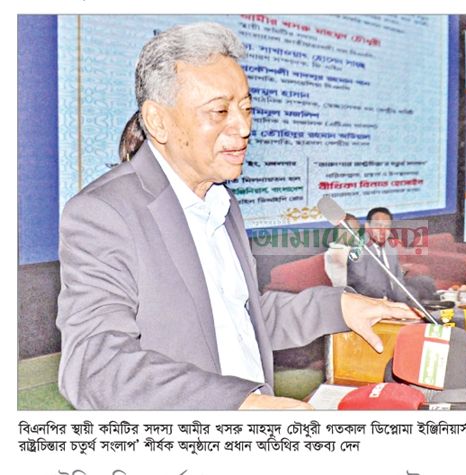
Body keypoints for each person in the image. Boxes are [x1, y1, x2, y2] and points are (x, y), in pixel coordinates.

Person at [56, 23, 417, 411]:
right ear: (158, 121)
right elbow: (94, 366)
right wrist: (239, 407)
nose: (243, 127)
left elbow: (237, 317)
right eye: (220, 111)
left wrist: (338, 307)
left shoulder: (220, 201)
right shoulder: (104, 213)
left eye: (246, 108)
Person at [346, 207, 436, 304]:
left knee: (426, 283)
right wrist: (384, 299)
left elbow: (398, 278)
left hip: (394, 292)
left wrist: (405, 294)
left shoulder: (390, 247)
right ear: (368, 226)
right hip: (374, 299)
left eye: (387, 227)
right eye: (378, 226)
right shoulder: (358, 248)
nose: (383, 231)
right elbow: (357, 282)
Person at [323, 213, 363, 287]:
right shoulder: (334, 253)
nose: (356, 235)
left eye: (356, 231)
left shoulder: (352, 249)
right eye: (352, 231)